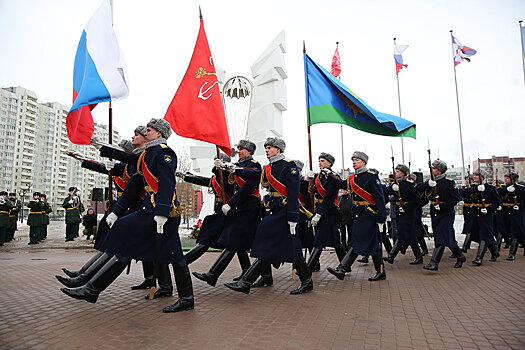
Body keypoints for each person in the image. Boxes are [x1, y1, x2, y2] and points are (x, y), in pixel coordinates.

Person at [61, 118, 194, 313]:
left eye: (149, 130)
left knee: (130, 240)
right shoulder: (148, 154)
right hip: (152, 211)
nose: (145, 132)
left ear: (159, 134)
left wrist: (162, 212)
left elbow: (167, 184)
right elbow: (132, 176)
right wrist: (100, 146)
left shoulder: (164, 152)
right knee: (174, 256)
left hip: (162, 214)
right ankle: (186, 298)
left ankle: (91, 288)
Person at [224, 137, 313, 295]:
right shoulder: (268, 168)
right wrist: (234, 169)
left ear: (278, 150)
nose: (266, 150)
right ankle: (307, 281)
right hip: (273, 210)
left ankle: (246, 281)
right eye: (265, 148)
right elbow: (254, 176)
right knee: (290, 248)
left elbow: (293, 194)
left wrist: (293, 217)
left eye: (269, 148)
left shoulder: (289, 166)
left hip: (285, 212)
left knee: (270, 244)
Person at [192, 140, 261, 287]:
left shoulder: (254, 165)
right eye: (239, 148)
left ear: (249, 151)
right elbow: (224, 180)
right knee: (238, 243)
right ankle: (258, 274)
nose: (239, 151)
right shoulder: (238, 166)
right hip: (239, 209)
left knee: (233, 241)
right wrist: (217, 168)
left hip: (248, 208)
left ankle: (213, 274)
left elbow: (246, 189)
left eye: (242, 149)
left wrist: (231, 203)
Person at [326, 151, 387, 282]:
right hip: (358, 214)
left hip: (368, 214)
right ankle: (380, 271)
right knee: (372, 243)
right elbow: (342, 185)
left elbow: (379, 197)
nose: (354, 162)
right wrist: (329, 176)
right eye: (353, 160)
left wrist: (381, 216)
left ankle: (342, 268)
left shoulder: (371, 176)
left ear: (364, 162)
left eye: (357, 160)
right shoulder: (352, 178)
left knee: (358, 241)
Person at [179, 153, 234, 267]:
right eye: (215, 161)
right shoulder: (216, 178)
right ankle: (249, 272)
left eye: (218, 161)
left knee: (207, 239)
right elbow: (204, 181)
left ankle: (184, 261)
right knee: (236, 245)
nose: (215, 163)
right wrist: (186, 177)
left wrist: (225, 169)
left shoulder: (230, 177)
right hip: (221, 213)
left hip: (227, 214)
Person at [415, 160, 466, 271]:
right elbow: (417, 188)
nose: (432, 170)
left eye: (433, 168)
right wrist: (427, 184)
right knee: (445, 237)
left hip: (446, 213)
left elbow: (456, 198)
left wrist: (443, 206)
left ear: (439, 170)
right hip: (435, 213)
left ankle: (434, 263)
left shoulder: (448, 182)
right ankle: (460, 257)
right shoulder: (431, 182)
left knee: (442, 237)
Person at [305, 153, 347, 272]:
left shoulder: (333, 177)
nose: (320, 163)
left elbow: (329, 198)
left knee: (319, 239)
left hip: (329, 212)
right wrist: (306, 179)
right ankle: (345, 265)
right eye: (319, 161)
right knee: (335, 240)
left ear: (329, 163)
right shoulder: (318, 177)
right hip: (319, 209)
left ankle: (308, 269)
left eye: (323, 161)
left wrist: (319, 214)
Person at [384, 164, 424, 265]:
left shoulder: (409, 185)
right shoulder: (395, 184)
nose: (396, 173)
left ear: (403, 173)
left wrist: (405, 207)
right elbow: (385, 191)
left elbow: (417, 200)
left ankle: (391, 256)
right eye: (396, 171)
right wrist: (391, 188)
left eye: (398, 171)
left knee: (405, 234)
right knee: (408, 235)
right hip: (399, 213)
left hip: (408, 214)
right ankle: (418, 257)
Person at [465, 170, 501, 265]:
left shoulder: (491, 188)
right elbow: (463, 193)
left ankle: (479, 257)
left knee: (484, 235)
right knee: (484, 235)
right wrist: (476, 189)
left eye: (477, 175)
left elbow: (497, 202)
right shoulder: (473, 187)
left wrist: (489, 209)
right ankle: (495, 252)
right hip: (476, 214)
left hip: (486, 215)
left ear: (482, 177)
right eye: (475, 175)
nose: (474, 177)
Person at [498, 172, 525, 261]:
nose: (505, 180)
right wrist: (506, 190)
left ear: (513, 180)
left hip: (517, 213)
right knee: (517, 233)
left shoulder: (521, 189)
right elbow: (497, 192)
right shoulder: (504, 188)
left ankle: (512, 253)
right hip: (506, 212)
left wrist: (520, 206)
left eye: (508, 178)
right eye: (505, 178)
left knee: (515, 233)